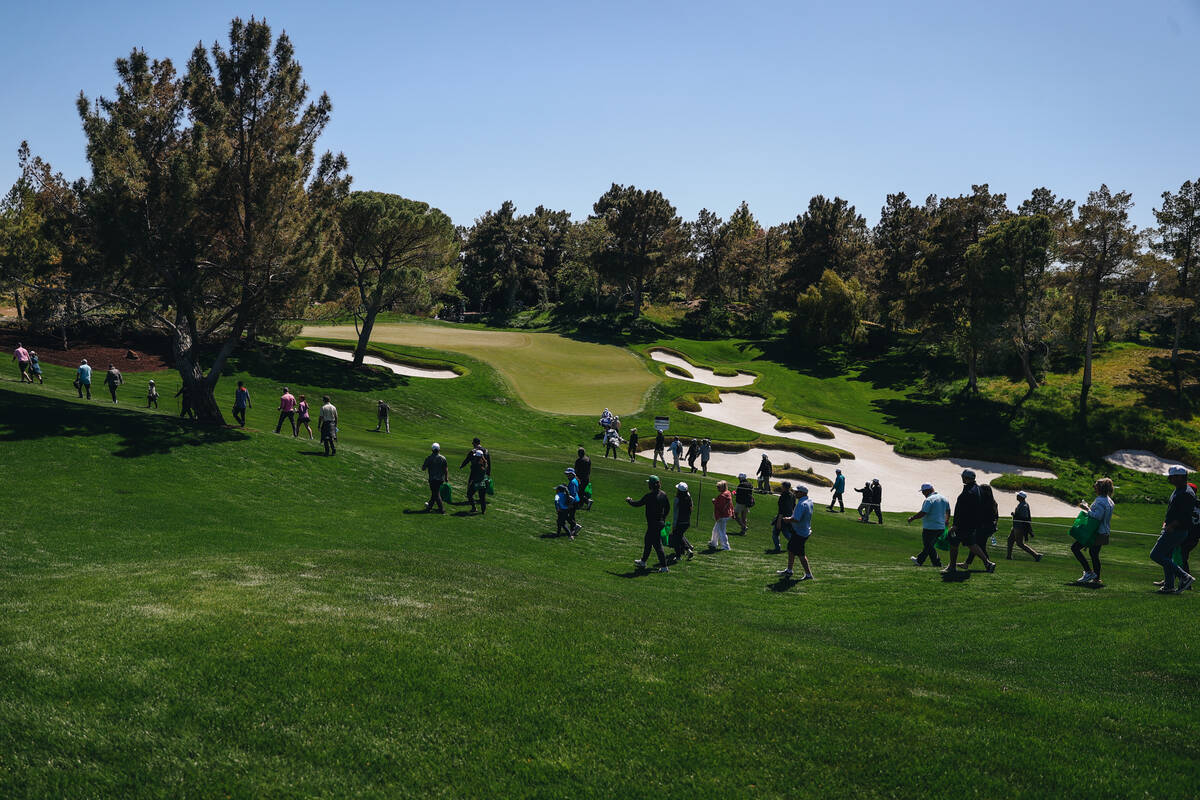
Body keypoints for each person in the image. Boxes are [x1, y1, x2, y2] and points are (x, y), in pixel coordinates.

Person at [1150, 467, 1195, 593]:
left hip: (1177, 530)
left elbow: (1184, 515)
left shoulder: (1186, 493)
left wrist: (1172, 525)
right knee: (1167, 556)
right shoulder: (1180, 490)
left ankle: (1184, 577)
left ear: (1181, 477)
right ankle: (1169, 586)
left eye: (1172, 476)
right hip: (1174, 529)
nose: (1169, 479)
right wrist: (1167, 522)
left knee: (1156, 555)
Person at [944, 470, 997, 575]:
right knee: (971, 544)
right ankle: (988, 563)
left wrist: (955, 525)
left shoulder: (969, 491)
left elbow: (962, 511)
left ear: (966, 478)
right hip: (971, 524)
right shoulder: (977, 489)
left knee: (954, 541)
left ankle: (952, 566)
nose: (962, 478)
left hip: (963, 524)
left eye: (963, 476)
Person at [1072, 478, 1114, 586]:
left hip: (1096, 532)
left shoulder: (1100, 500)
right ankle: (1096, 578)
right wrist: (1090, 508)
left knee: (1075, 548)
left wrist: (1086, 508)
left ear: (1100, 488)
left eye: (1095, 486)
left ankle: (1089, 572)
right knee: (1094, 554)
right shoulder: (1109, 500)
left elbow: (1097, 517)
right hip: (1104, 531)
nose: (1094, 487)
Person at [627, 475, 670, 573]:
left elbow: (637, 504)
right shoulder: (663, 494)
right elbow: (667, 508)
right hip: (659, 523)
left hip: (653, 525)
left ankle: (664, 567)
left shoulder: (649, 496)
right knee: (648, 541)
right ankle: (643, 561)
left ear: (651, 485)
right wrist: (663, 518)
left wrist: (629, 500)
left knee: (657, 545)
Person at [776, 485, 814, 581]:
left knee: (800, 554)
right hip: (804, 530)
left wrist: (787, 519)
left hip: (800, 533)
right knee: (791, 549)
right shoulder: (809, 501)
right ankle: (789, 570)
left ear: (803, 493)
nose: (795, 493)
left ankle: (808, 574)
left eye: (797, 492)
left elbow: (796, 519)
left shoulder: (802, 504)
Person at [907, 482, 948, 568]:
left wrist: (912, 518)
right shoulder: (943, 498)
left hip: (930, 527)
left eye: (923, 492)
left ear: (927, 491)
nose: (923, 494)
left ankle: (935, 563)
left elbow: (923, 512)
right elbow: (948, 510)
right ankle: (921, 560)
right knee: (930, 545)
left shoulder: (929, 500)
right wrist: (946, 520)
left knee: (928, 545)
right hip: (941, 527)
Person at [962, 483, 998, 567]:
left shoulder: (983, 502)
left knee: (978, 546)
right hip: (989, 527)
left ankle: (988, 564)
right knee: (976, 545)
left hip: (982, 527)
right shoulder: (993, 502)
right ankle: (967, 563)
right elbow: (996, 517)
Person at [1007, 491, 1042, 561]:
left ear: (1021, 497)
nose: (1017, 496)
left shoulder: (1023, 506)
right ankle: (1009, 556)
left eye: (1018, 496)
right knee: (1010, 540)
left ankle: (1036, 555)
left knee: (1020, 543)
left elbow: (1024, 517)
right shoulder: (1022, 504)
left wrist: (1015, 515)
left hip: (1019, 527)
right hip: (1016, 526)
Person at [460, 446, 490, 514]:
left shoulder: (475, 465)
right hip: (483, 482)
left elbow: (473, 474)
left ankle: (474, 507)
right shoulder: (485, 463)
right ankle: (483, 511)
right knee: (482, 498)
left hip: (476, 482)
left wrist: (470, 482)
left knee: (469, 494)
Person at [670, 482, 695, 562]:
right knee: (680, 535)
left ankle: (679, 555)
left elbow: (675, 513)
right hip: (687, 521)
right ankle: (689, 547)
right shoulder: (689, 497)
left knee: (676, 539)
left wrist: (674, 524)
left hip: (679, 522)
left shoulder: (677, 499)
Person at [1179, 483, 1200, 579]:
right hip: (1194, 537)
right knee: (1178, 556)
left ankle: (1186, 579)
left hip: (1187, 535)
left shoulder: (1187, 502)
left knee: (1180, 557)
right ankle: (1169, 579)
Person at [772, 481, 797, 553]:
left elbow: (781, 510)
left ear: (784, 487)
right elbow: (793, 507)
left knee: (776, 533)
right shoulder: (792, 495)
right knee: (786, 532)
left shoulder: (783, 496)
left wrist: (779, 521)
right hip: (789, 516)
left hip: (782, 517)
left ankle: (778, 548)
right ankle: (795, 545)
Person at [421, 442, 448, 513]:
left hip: (432, 479)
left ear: (432, 450)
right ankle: (429, 507)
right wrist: (446, 477)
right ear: (439, 449)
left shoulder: (429, 458)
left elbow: (423, 468)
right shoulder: (443, 458)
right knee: (434, 494)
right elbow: (445, 468)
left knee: (436, 494)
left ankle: (442, 509)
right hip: (440, 479)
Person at [709, 479, 734, 551]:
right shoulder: (728, 493)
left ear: (723, 487)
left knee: (722, 532)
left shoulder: (722, 496)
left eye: (719, 487)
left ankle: (726, 547)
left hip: (722, 516)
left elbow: (719, 506)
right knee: (715, 530)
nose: (718, 488)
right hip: (726, 514)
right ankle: (713, 543)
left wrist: (714, 501)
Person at [564, 468, 582, 537]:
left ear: (572, 474)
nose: (567, 476)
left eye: (569, 475)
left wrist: (570, 504)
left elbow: (573, 494)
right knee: (572, 516)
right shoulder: (574, 480)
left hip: (573, 501)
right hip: (575, 500)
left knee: (566, 516)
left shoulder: (572, 482)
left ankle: (576, 526)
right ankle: (573, 530)